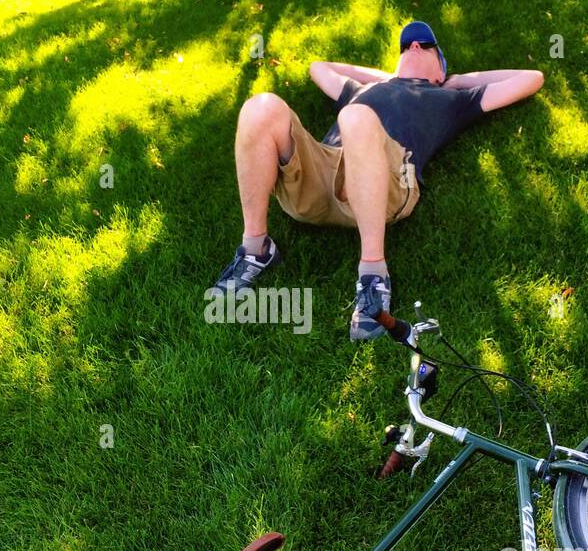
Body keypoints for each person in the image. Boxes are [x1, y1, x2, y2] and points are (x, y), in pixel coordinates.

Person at [209, 20, 544, 338]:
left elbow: (531, 77)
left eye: (426, 46)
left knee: (356, 116)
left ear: (441, 68)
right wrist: (387, 78)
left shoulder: (453, 98)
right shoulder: (363, 89)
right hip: (323, 179)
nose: (413, 44)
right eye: (406, 45)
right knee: (261, 106)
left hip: (387, 186)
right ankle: (257, 250)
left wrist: (455, 80)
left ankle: (373, 274)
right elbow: (319, 68)